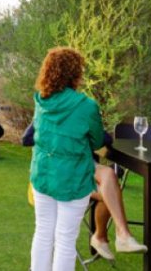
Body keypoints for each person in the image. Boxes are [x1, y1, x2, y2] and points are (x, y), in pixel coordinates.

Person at [29, 47, 105, 271]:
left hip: (42, 175)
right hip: (72, 179)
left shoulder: (41, 101)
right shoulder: (86, 106)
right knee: (65, 240)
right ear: (75, 73)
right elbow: (97, 140)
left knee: (43, 232)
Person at [23, 125, 147, 261]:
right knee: (108, 194)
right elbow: (26, 139)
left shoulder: (84, 115)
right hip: (57, 178)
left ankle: (119, 235)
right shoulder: (47, 114)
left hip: (84, 170)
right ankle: (102, 236)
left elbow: (105, 138)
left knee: (109, 182)